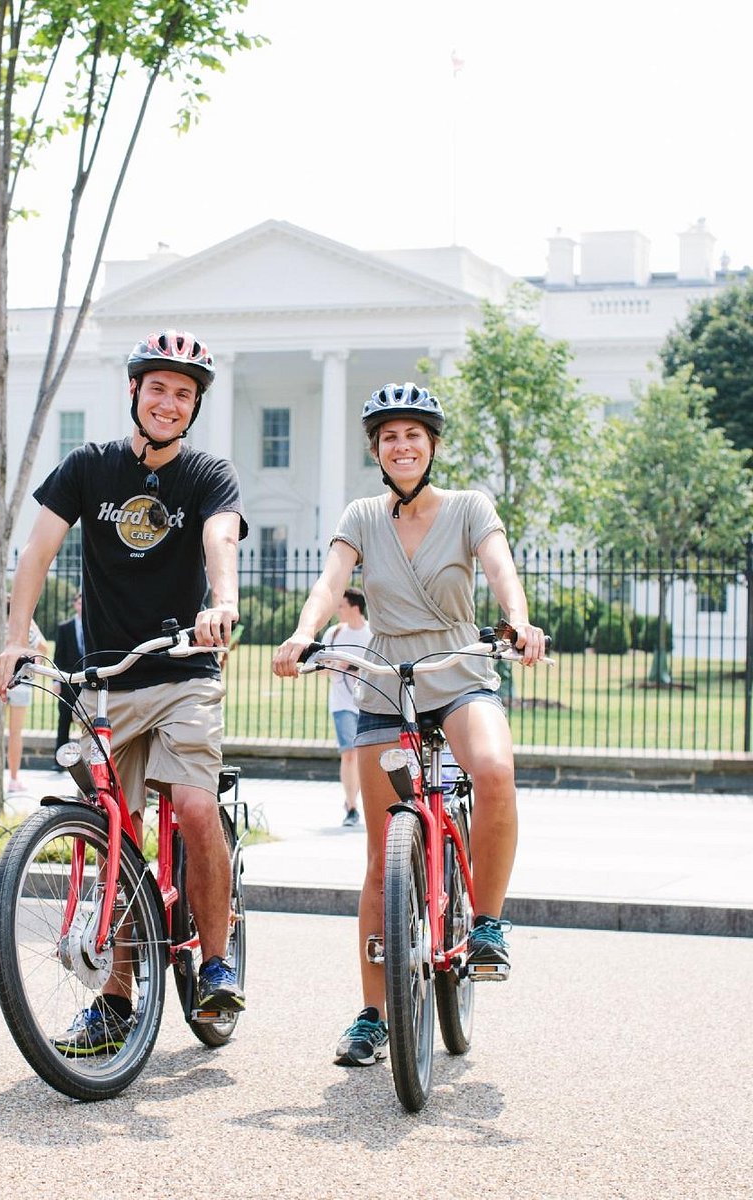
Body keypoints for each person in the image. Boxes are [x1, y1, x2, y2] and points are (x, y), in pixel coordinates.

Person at [272, 382, 546, 1069]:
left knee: (493, 772)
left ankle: (484, 922)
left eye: (413, 435)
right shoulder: (362, 515)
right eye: (389, 436)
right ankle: (372, 1015)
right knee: (378, 864)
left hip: (459, 669)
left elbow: (501, 570)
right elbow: (330, 583)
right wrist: (305, 634)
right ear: (376, 448)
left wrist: (517, 618)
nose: (401, 446)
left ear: (432, 445)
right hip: (387, 679)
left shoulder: (469, 508)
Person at [0, 329, 248, 1054]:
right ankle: (115, 999)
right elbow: (37, 549)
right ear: (133, 392)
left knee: (195, 806)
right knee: (114, 833)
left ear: (196, 405)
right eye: (158, 388)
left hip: (181, 670)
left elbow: (219, 539)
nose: (169, 403)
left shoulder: (207, 475)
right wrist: (17, 636)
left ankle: (217, 959)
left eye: (184, 393)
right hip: (104, 679)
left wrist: (219, 603)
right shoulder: (89, 469)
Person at [321, 586, 370, 828]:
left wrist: (355, 667)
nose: (338, 610)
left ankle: (358, 799)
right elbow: (320, 668)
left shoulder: (372, 633)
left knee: (364, 755)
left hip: (368, 701)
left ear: (355, 607)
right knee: (349, 753)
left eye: (341, 605)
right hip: (342, 701)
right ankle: (351, 805)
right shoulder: (334, 633)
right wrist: (334, 665)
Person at [4, 598, 47, 793]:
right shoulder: (27, 626)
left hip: (0, 678)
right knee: (15, 733)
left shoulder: (2, 625)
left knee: (0, 732)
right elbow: (44, 647)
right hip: (20, 681)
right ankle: (13, 778)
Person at [51, 591, 84, 765]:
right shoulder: (65, 628)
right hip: (68, 681)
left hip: (88, 681)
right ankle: (58, 760)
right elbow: (58, 656)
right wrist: (56, 681)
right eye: (79, 603)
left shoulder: (95, 625)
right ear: (74, 605)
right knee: (64, 719)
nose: (81, 606)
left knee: (89, 722)